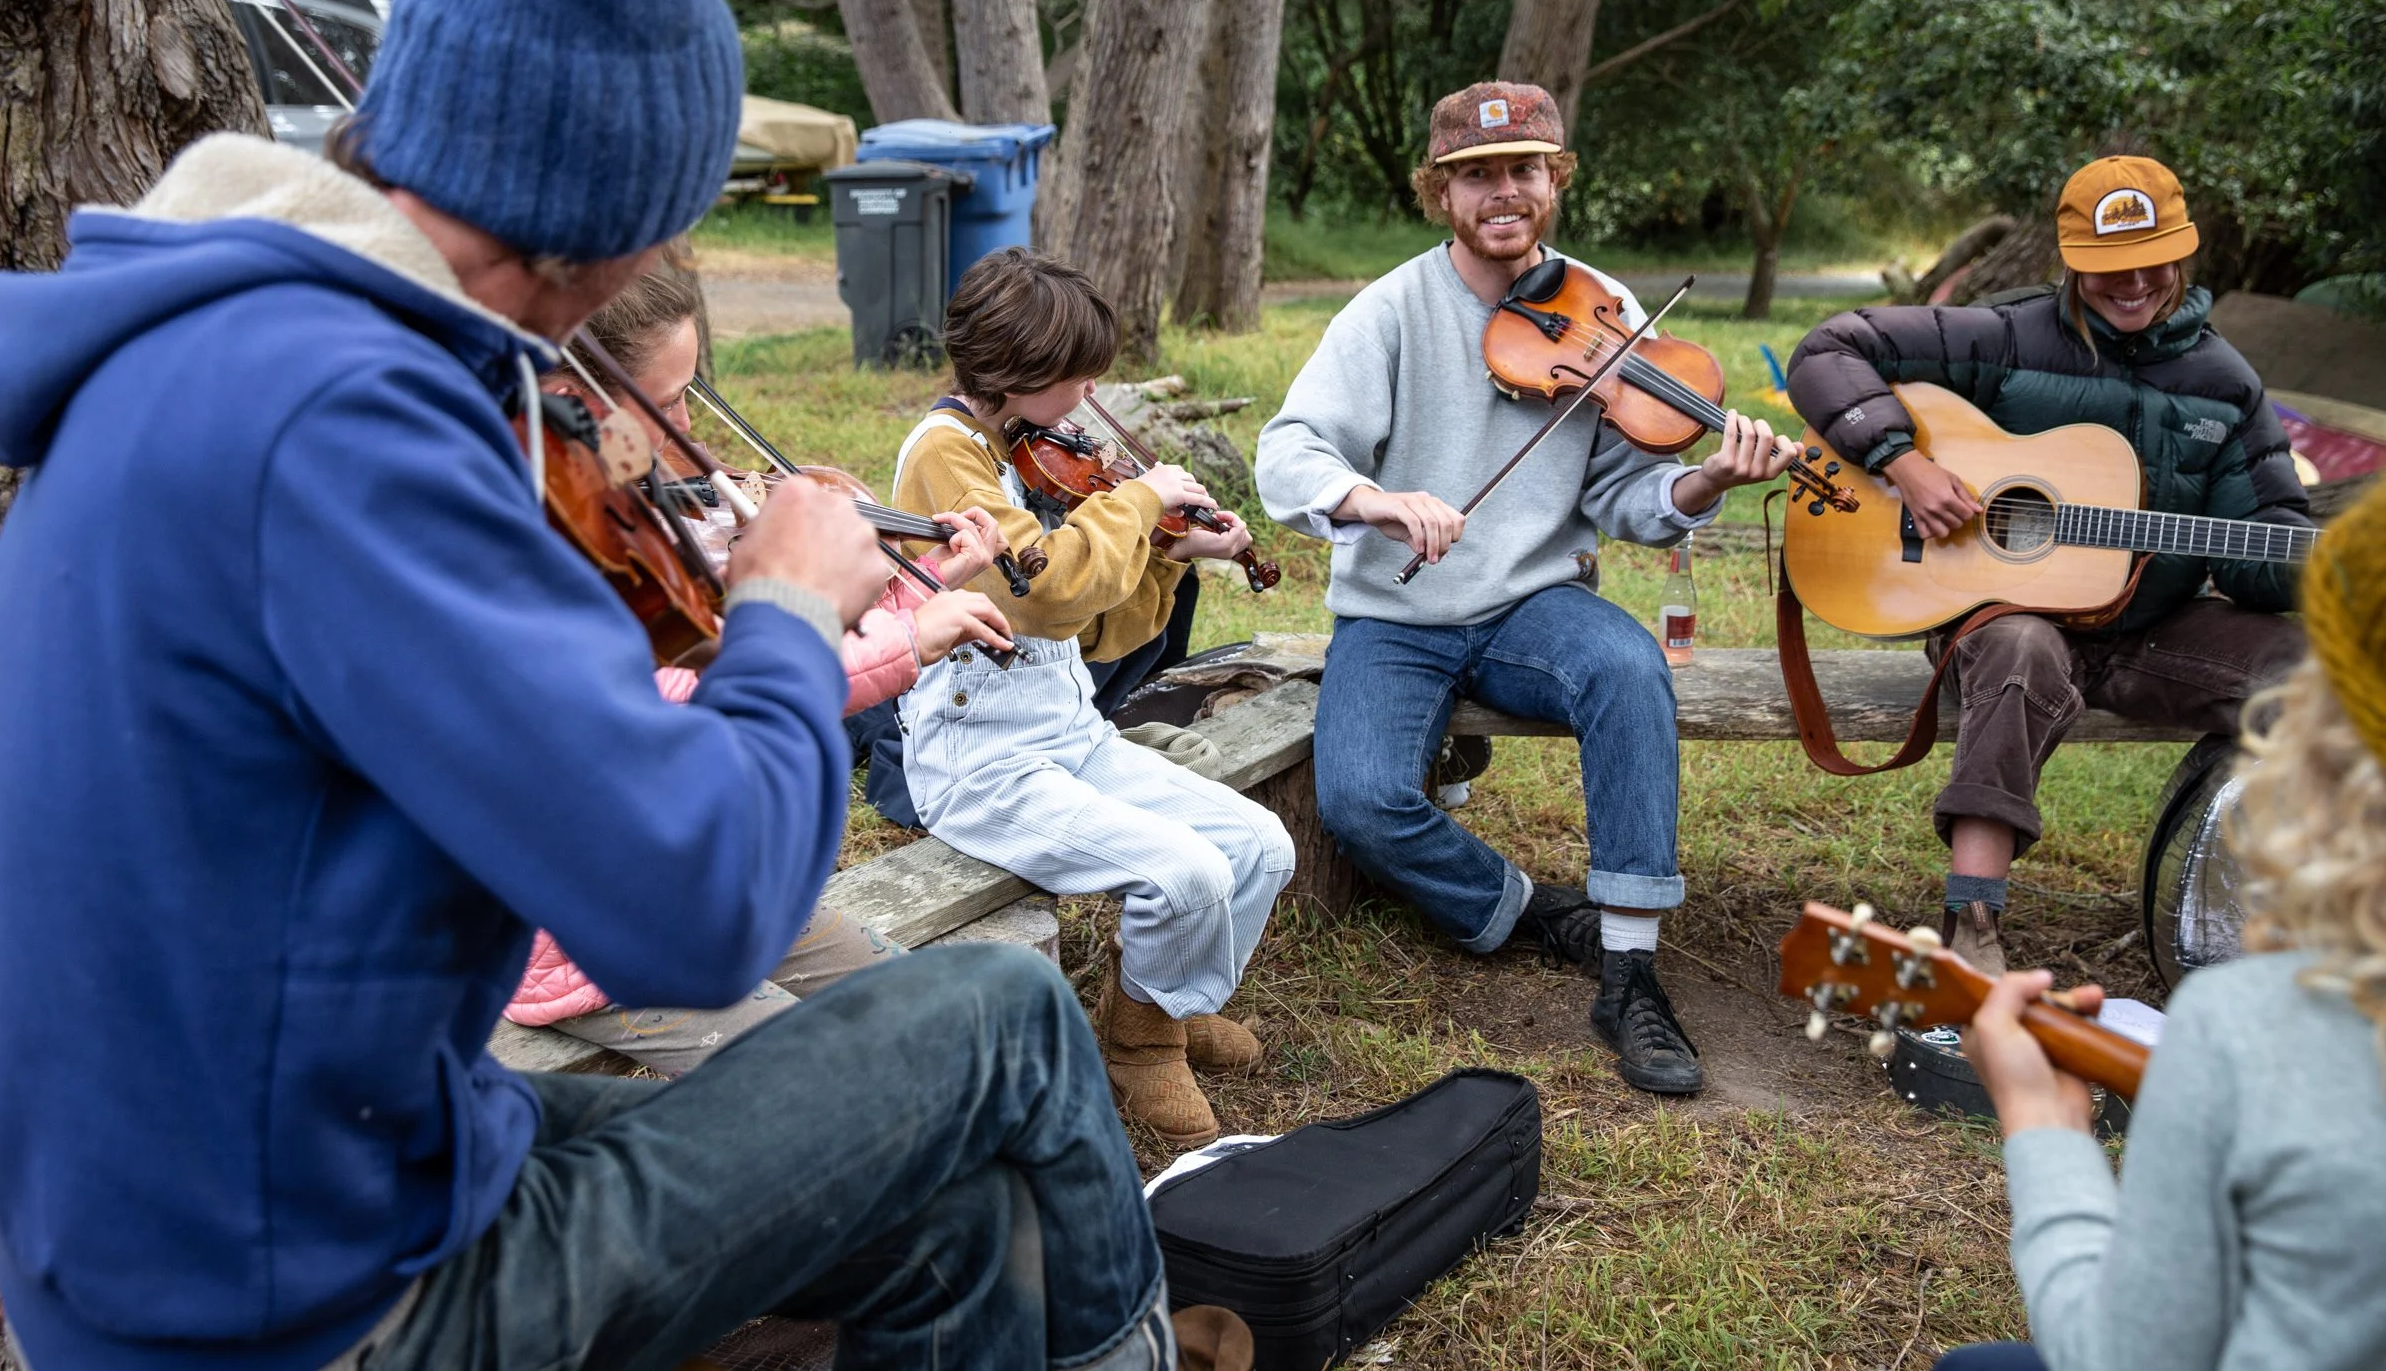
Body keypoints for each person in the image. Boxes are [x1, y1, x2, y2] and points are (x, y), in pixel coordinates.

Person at [0, 0, 1180, 1371]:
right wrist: (784, 611)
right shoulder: (347, 427)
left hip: (232, 1181)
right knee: (997, 1015)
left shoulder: (219, 352)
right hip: (283, 1299)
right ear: (604, 225)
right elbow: (699, 910)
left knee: (958, 1216)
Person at [1254, 81, 1800, 1097]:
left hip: (1533, 605)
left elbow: (1626, 496)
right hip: (1396, 614)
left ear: (1555, 181)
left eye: (1524, 170)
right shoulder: (1391, 310)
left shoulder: (1607, 310)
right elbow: (1288, 452)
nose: (1503, 191)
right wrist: (1375, 501)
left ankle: (1630, 969)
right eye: (1477, 176)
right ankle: (1528, 910)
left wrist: (1708, 481)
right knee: (1361, 800)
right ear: (1441, 192)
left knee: (1627, 668)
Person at [1786, 156, 2309, 973]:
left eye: (2152, 261)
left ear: (2184, 252)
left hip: (2151, 631)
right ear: (2070, 260)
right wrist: (1903, 462)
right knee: (2021, 650)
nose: (2133, 284)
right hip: (2004, 617)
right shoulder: (2003, 336)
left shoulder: (2226, 386)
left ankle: (2280, 925)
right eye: (2108, 267)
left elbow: (2260, 553)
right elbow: (1829, 349)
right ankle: (1972, 932)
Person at [507, 264, 1018, 1074]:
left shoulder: (629, 509)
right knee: (826, 1080)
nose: (689, 433)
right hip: (592, 932)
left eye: (692, 395)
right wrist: (910, 638)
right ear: (571, 398)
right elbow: (710, 695)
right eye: (667, 402)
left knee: (938, 1012)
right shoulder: (535, 550)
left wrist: (925, 579)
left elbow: (774, 639)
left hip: (709, 883)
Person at [1934, 479, 2386, 1371]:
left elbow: (2125, 1353)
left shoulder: (2256, 1025)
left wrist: (2044, 1124)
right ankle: (1973, 911)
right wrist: (1891, 447)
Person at [887, 249, 1297, 1148]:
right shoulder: (945, 457)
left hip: (1070, 736)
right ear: (1016, 370)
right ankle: (1140, 1049)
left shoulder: (1017, 449)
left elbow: (1093, 632)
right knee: (1185, 874)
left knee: (1260, 846)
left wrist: (1169, 556)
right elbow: (1047, 590)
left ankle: (1157, 1008)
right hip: (981, 764)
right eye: (1078, 374)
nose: (1092, 392)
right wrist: (1141, 501)